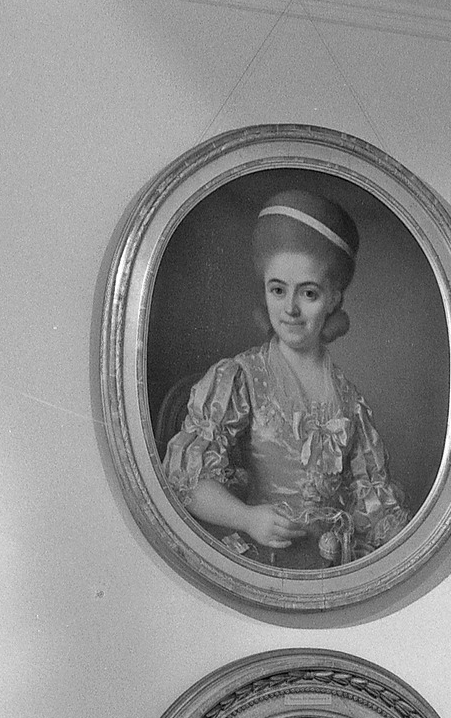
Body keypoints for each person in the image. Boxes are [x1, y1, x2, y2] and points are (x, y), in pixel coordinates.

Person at [161, 189, 410, 569]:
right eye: (278, 290)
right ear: (264, 290)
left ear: (333, 298)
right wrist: (247, 518)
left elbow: (374, 507)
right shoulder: (241, 378)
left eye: (308, 293)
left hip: (331, 570)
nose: (290, 309)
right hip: (263, 563)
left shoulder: (349, 399)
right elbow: (184, 481)